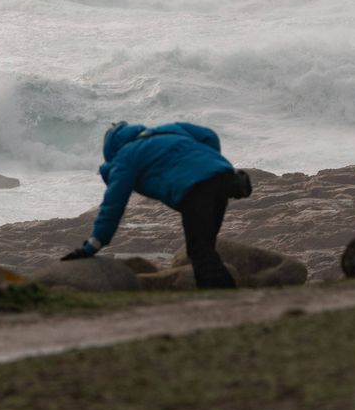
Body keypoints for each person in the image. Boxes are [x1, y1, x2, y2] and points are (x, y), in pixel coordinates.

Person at [62, 121, 249, 289]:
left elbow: (112, 206)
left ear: (111, 150)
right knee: (205, 246)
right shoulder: (169, 130)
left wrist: (92, 246)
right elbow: (209, 135)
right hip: (222, 176)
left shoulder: (126, 157)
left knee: (199, 250)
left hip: (195, 190)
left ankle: (223, 301)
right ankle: (225, 296)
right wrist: (210, 165)